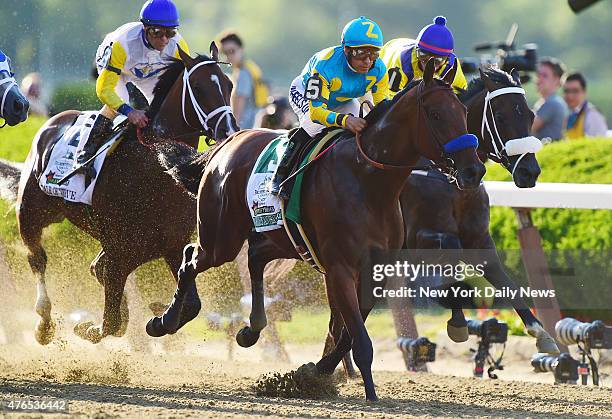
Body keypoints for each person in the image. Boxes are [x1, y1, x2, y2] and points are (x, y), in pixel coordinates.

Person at [270, 16, 390, 199]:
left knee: (363, 128)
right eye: (361, 54)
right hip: (305, 95)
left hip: (342, 99)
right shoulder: (325, 65)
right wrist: (345, 120)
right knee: (314, 126)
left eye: (374, 54)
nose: (368, 61)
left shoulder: (379, 70)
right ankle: (281, 175)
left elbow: (383, 108)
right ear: (346, 50)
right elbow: (317, 112)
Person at [77, 0, 190, 177]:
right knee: (120, 98)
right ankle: (85, 152)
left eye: (170, 32)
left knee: (166, 107)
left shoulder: (178, 45)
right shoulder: (123, 43)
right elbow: (104, 90)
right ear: (144, 28)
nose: (164, 39)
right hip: (118, 68)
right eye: (158, 32)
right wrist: (129, 112)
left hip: (149, 72)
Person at [380, 16, 467, 97]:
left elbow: (461, 103)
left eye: (438, 60)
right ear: (416, 50)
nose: (428, 65)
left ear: (447, 59)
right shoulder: (402, 63)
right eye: (423, 56)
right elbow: (388, 102)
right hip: (386, 56)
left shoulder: (452, 69)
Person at [219, 32, 269, 129]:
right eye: (225, 53)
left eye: (232, 51)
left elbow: (240, 101)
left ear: (241, 49)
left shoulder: (243, 73)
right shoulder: (249, 67)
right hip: (256, 123)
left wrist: (233, 127)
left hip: (247, 126)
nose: (228, 56)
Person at [532, 57, 568, 142]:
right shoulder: (545, 102)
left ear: (557, 80)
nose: (539, 79)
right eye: (538, 75)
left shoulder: (552, 103)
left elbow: (527, 128)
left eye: (544, 75)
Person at [563, 72, 608, 138]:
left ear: (584, 92)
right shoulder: (566, 113)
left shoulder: (592, 115)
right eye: (567, 91)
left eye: (575, 91)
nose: (570, 96)